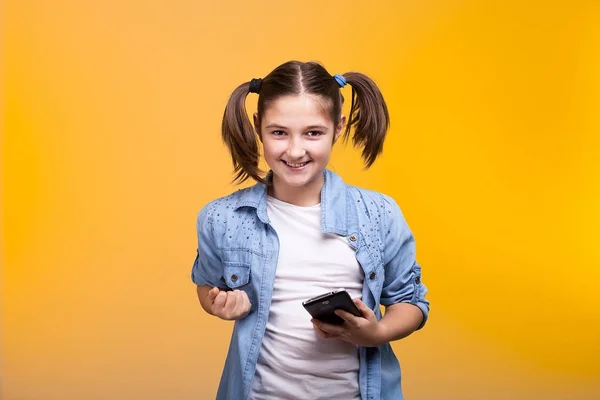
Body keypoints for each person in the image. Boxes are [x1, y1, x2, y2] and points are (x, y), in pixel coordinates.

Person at [191, 60, 430, 400]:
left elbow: (410, 302)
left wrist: (376, 333)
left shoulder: (379, 214)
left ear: (339, 127)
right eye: (279, 132)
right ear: (258, 127)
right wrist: (217, 304)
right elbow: (207, 285)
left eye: (313, 133)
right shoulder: (223, 218)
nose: (295, 150)